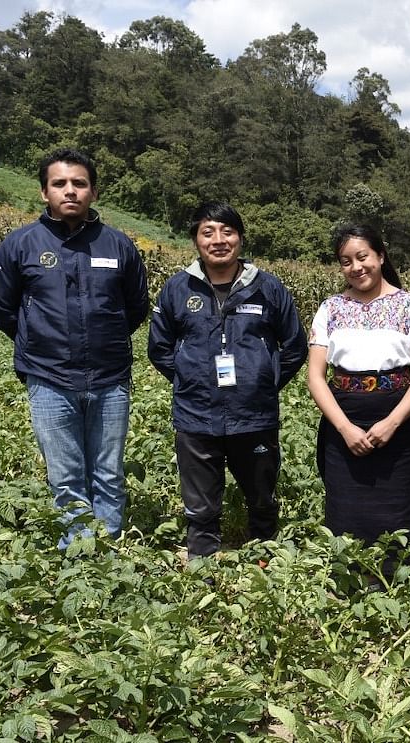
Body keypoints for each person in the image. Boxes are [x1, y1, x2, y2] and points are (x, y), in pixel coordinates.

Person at [0, 148, 149, 548]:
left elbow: (136, 308)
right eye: (60, 183)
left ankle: (108, 549)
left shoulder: (119, 245)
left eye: (79, 183)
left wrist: (105, 340)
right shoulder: (19, 245)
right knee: (66, 474)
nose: (70, 191)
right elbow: (2, 311)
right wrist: (40, 344)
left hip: (110, 378)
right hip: (49, 379)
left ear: (93, 191)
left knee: (109, 471)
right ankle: (79, 555)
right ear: (45, 192)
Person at [147, 202, 307, 559]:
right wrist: (191, 381)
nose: (218, 240)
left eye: (227, 231)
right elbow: (159, 348)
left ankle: (264, 559)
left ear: (240, 238)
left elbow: (294, 346)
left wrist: (263, 381)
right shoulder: (177, 288)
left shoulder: (268, 288)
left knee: (262, 497)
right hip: (196, 415)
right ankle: (201, 564)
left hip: (255, 415)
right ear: (196, 241)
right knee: (201, 504)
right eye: (208, 232)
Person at [306, 224, 410, 554]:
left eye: (362, 257)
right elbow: (316, 377)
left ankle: (396, 582)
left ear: (380, 255)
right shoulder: (330, 309)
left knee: (398, 507)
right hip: (343, 421)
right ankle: (346, 586)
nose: (356, 267)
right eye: (346, 261)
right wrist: (345, 428)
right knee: (344, 508)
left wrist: (392, 423)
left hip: (398, 419)